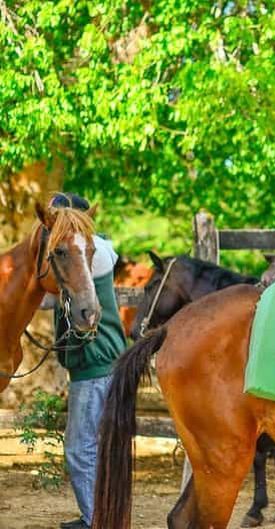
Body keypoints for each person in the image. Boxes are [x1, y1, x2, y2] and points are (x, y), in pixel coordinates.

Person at [46, 192, 127, 529]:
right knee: (96, 449)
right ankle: (98, 516)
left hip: (95, 366)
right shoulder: (94, 252)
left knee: (80, 451)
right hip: (97, 365)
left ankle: (96, 520)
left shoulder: (92, 251)